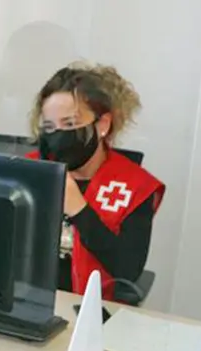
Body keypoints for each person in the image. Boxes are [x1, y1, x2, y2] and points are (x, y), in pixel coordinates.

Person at [27, 62, 165, 300]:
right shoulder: (30, 170)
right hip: (26, 299)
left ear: (102, 125)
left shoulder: (136, 187)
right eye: (50, 127)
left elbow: (128, 270)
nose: (59, 135)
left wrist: (79, 210)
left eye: (70, 124)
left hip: (90, 307)